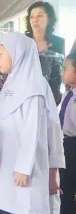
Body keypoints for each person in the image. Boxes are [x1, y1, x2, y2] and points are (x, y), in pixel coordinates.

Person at [0, 33, 60, 214]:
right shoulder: (10, 83)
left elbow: (31, 129)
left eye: (0, 54)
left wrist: (23, 167)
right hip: (7, 162)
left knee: (22, 205)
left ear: (17, 52)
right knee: (5, 202)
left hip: (24, 169)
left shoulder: (33, 85)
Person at [26, 1, 64, 105]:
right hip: (26, 98)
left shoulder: (58, 42)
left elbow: (60, 72)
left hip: (50, 98)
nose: (35, 20)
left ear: (49, 19)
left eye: (40, 16)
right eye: (32, 17)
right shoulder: (23, 41)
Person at [59, 52, 76, 214]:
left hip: (74, 145)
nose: (61, 73)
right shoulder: (68, 94)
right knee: (65, 187)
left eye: (65, 69)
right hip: (65, 144)